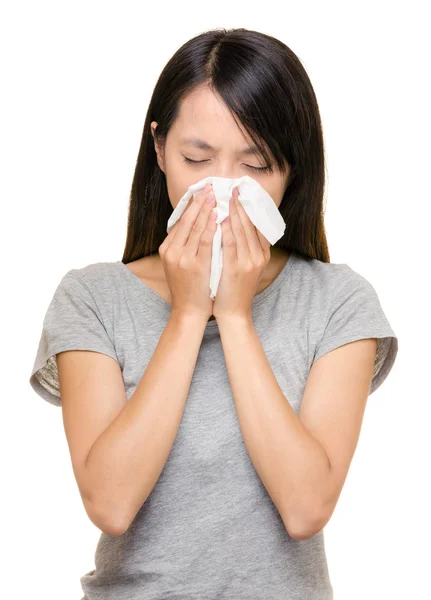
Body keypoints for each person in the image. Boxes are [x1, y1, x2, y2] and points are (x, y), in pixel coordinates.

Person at [29, 27, 398, 600]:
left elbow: (306, 508)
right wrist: (186, 315)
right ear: (158, 148)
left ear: (293, 168)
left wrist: (235, 316)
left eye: (257, 164)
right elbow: (110, 503)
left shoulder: (338, 302)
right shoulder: (92, 298)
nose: (225, 189)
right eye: (197, 158)